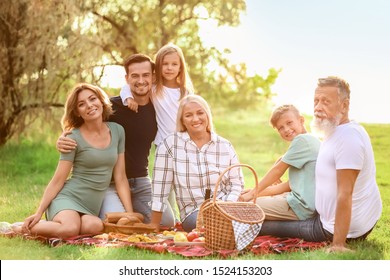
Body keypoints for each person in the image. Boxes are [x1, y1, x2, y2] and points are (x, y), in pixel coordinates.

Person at [259, 76, 382, 252]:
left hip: (333, 228)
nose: (318, 107)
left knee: (261, 225)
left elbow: (345, 193)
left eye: (326, 101)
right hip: (321, 214)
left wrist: (338, 244)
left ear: (344, 105)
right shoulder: (332, 131)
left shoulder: (349, 139)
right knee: (264, 214)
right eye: (316, 101)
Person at [56, 54, 175, 227]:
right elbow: (78, 125)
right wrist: (61, 138)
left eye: (145, 75)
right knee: (119, 224)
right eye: (135, 76)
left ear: (153, 77)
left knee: (166, 222)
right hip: (109, 182)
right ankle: (91, 214)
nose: (140, 80)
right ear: (127, 78)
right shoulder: (111, 108)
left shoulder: (158, 107)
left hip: (141, 180)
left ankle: (134, 210)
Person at [18, 83, 133, 239]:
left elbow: (120, 177)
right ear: (77, 112)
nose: (89, 105)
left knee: (95, 226)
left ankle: (51, 227)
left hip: (90, 206)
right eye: (81, 104)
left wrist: (130, 213)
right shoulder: (73, 137)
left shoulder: (118, 130)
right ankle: (19, 228)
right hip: (68, 198)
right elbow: (58, 180)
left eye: (93, 99)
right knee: (69, 229)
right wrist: (39, 212)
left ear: (101, 101)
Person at [120, 43, 195, 221]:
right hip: (163, 146)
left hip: (184, 145)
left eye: (174, 64)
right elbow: (126, 87)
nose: (169, 68)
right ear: (158, 67)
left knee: (184, 185)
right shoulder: (155, 88)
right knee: (163, 187)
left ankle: (185, 217)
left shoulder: (185, 91)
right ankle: (171, 220)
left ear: (180, 67)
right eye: (165, 64)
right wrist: (128, 98)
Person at [149, 95, 244, 232]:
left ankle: (283, 228)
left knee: (263, 219)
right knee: (223, 225)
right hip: (194, 214)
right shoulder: (170, 145)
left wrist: (226, 205)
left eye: (200, 113)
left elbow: (237, 184)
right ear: (182, 120)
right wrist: (154, 224)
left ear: (207, 115)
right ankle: (240, 230)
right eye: (188, 115)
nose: (195, 119)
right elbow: (160, 190)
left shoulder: (224, 145)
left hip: (228, 207)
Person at [240, 104, 320, 221]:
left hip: (301, 207)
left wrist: (251, 194)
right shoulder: (309, 140)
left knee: (243, 208)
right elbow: (286, 186)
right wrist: (255, 192)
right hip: (302, 204)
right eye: (280, 128)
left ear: (301, 120)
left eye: (289, 123)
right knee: (254, 201)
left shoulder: (302, 141)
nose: (286, 129)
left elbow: (277, 171)